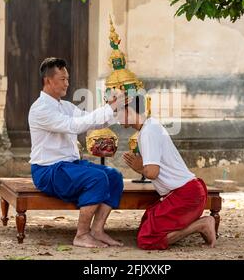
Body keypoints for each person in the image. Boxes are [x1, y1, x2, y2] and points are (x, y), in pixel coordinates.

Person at [29, 57, 126, 248]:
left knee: (114, 176)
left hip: (69, 166)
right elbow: (74, 126)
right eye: (63, 79)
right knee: (97, 178)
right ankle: (81, 235)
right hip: (48, 170)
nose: (67, 83)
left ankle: (97, 230)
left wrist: (115, 108)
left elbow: (92, 121)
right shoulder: (40, 109)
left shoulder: (65, 106)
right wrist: (109, 107)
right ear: (48, 80)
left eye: (67, 78)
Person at [119, 94, 216, 250]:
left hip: (186, 195)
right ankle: (194, 223)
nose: (115, 117)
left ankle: (201, 224)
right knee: (146, 223)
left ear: (129, 109)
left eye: (117, 111)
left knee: (147, 239)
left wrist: (139, 168)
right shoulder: (151, 125)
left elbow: (152, 173)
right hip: (186, 192)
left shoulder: (148, 132)